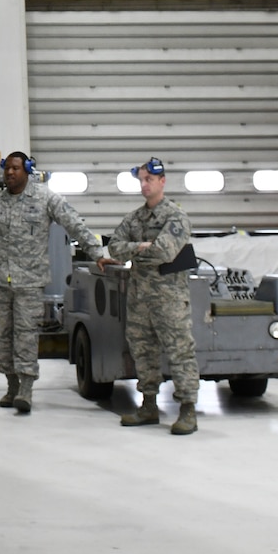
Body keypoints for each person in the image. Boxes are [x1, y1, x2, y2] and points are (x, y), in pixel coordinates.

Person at [0, 152, 98, 415]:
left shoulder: (45, 198)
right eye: (7, 168)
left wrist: (97, 253)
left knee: (26, 336)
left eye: (16, 168)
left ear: (27, 170)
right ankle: (11, 384)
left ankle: (26, 390)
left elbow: (73, 223)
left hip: (29, 283)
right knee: (1, 336)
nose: (10, 173)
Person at [98, 156, 200, 436]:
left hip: (169, 299)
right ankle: (149, 405)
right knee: (143, 353)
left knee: (180, 353)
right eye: (141, 180)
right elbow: (114, 247)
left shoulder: (175, 216)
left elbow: (165, 251)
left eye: (149, 180)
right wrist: (142, 246)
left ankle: (188, 409)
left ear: (162, 181)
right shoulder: (134, 218)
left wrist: (136, 250)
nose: (144, 185)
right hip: (140, 298)